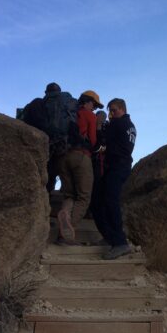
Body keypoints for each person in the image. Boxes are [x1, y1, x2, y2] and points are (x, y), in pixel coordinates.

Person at [57, 90, 103, 245]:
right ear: (88, 102)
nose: (95, 108)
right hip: (81, 156)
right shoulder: (89, 115)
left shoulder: (70, 114)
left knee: (69, 195)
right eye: (94, 105)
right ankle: (66, 232)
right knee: (84, 197)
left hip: (63, 157)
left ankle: (64, 213)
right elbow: (93, 141)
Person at [93, 98, 137, 259]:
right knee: (100, 200)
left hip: (117, 167)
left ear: (122, 109)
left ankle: (120, 243)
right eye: (110, 111)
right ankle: (110, 236)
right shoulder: (130, 126)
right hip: (121, 166)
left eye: (114, 110)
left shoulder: (118, 124)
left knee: (109, 202)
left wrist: (99, 124)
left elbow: (100, 139)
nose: (111, 114)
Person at [20, 82, 66, 192]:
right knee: (49, 177)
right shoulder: (61, 108)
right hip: (54, 148)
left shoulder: (37, 103)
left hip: (34, 146)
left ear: (46, 92)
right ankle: (47, 198)